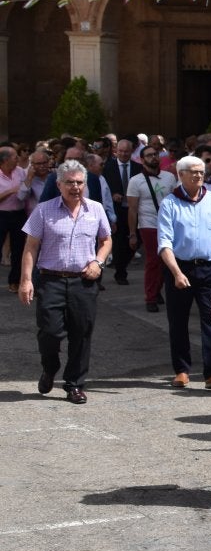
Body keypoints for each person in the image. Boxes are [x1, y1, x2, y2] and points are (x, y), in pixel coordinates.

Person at [18, 159, 113, 404]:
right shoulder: (44, 210)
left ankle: (74, 385)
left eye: (80, 182)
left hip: (84, 281)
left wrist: (98, 262)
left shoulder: (96, 209)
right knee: (49, 332)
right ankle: (50, 368)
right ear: (59, 185)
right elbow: (30, 247)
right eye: (70, 182)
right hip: (51, 280)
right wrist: (26, 281)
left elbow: (106, 241)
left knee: (82, 334)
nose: (75, 187)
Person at [157, 156, 211, 390]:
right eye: (193, 171)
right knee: (178, 320)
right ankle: (181, 370)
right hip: (180, 266)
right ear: (181, 175)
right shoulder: (170, 203)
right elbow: (164, 243)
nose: (199, 175)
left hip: (209, 267)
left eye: (201, 171)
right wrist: (176, 273)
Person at [125, 144, 177, 313]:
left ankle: (157, 289)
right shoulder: (135, 181)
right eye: (149, 155)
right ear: (142, 160)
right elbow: (132, 209)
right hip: (148, 225)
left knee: (167, 261)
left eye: (155, 154)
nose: (153, 157)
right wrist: (132, 233)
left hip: (169, 225)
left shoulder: (170, 177)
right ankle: (151, 298)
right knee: (154, 261)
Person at [101, 139, 138, 285]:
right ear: (116, 151)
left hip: (134, 209)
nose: (123, 154)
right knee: (118, 241)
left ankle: (123, 264)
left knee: (135, 240)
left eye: (126, 151)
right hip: (116, 210)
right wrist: (112, 195)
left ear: (131, 152)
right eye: (120, 151)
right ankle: (120, 272)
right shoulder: (107, 167)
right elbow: (103, 187)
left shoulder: (138, 168)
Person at [0, 147, 28, 293]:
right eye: (15, 157)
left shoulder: (20, 171)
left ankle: (15, 281)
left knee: (19, 249)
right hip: (1, 214)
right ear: (5, 160)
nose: (18, 159)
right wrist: (10, 191)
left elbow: (26, 188)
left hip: (18, 214)